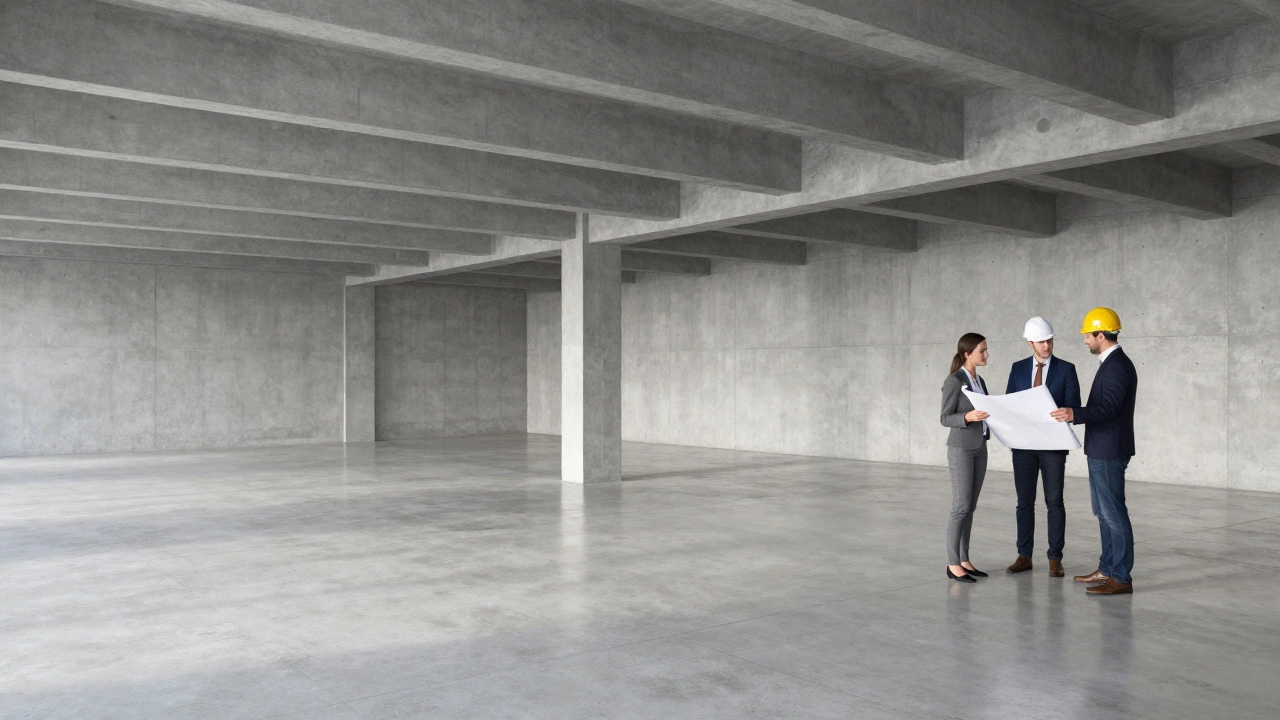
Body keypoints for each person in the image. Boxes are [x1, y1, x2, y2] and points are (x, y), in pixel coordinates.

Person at [1050, 308, 1138, 596]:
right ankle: (1108, 568)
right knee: (1102, 511)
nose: (1085, 340)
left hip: (1110, 450)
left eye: (1088, 336)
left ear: (1101, 335)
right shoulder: (1111, 362)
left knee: (1113, 514)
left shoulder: (1117, 366)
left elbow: (1109, 409)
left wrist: (1073, 412)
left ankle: (1121, 577)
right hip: (1102, 448)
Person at [1005, 317, 1081, 577]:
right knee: (1024, 502)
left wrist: (1064, 412)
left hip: (1053, 445)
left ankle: (1054, 558)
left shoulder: (1067, 369)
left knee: (1054, 501)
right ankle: (1024, 555)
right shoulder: (1017, 369)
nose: (1046, 346)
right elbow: (1009, 405)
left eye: (1049, 340)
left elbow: (1074, 404)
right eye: (1041, 342)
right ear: (1030, 343)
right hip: (1024, 447)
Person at [940, 333, 991, 583]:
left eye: (986, 350)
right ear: (967, 354)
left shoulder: (978, 380)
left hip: (979, 447)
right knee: (960, 506)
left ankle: (964, 558)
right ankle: (952, 563)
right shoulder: (954, 381)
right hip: (961, 448)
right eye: (982, 351)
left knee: (970, 507)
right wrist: (968, 417)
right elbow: (945, 417)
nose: (986, 355)